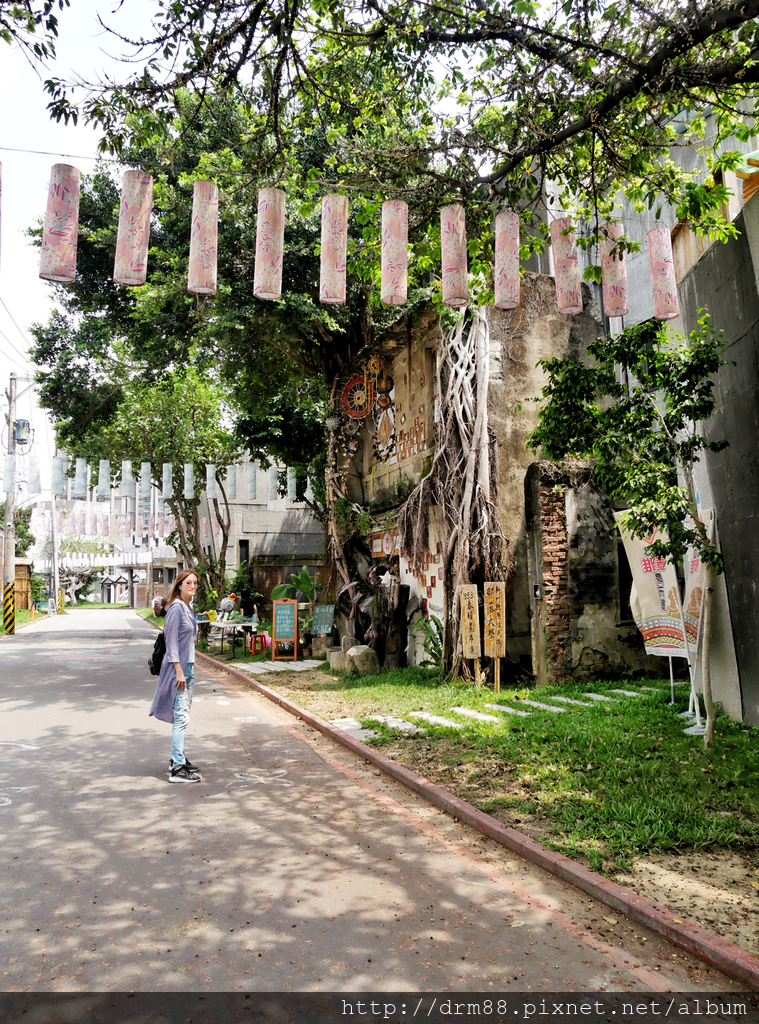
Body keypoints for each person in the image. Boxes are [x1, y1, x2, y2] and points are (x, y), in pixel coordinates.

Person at [149, 568, 202, 783]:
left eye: (195, 583)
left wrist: (187, 671)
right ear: (179, 585)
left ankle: (177, 759)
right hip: (177, 671)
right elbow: (171, 643)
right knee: (181, 717)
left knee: (183, 715)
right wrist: (179, 672)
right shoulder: (176, 609)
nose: (193, 586)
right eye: (188, 582)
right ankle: (177, 768)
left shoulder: (188, 608)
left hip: (188, 669)